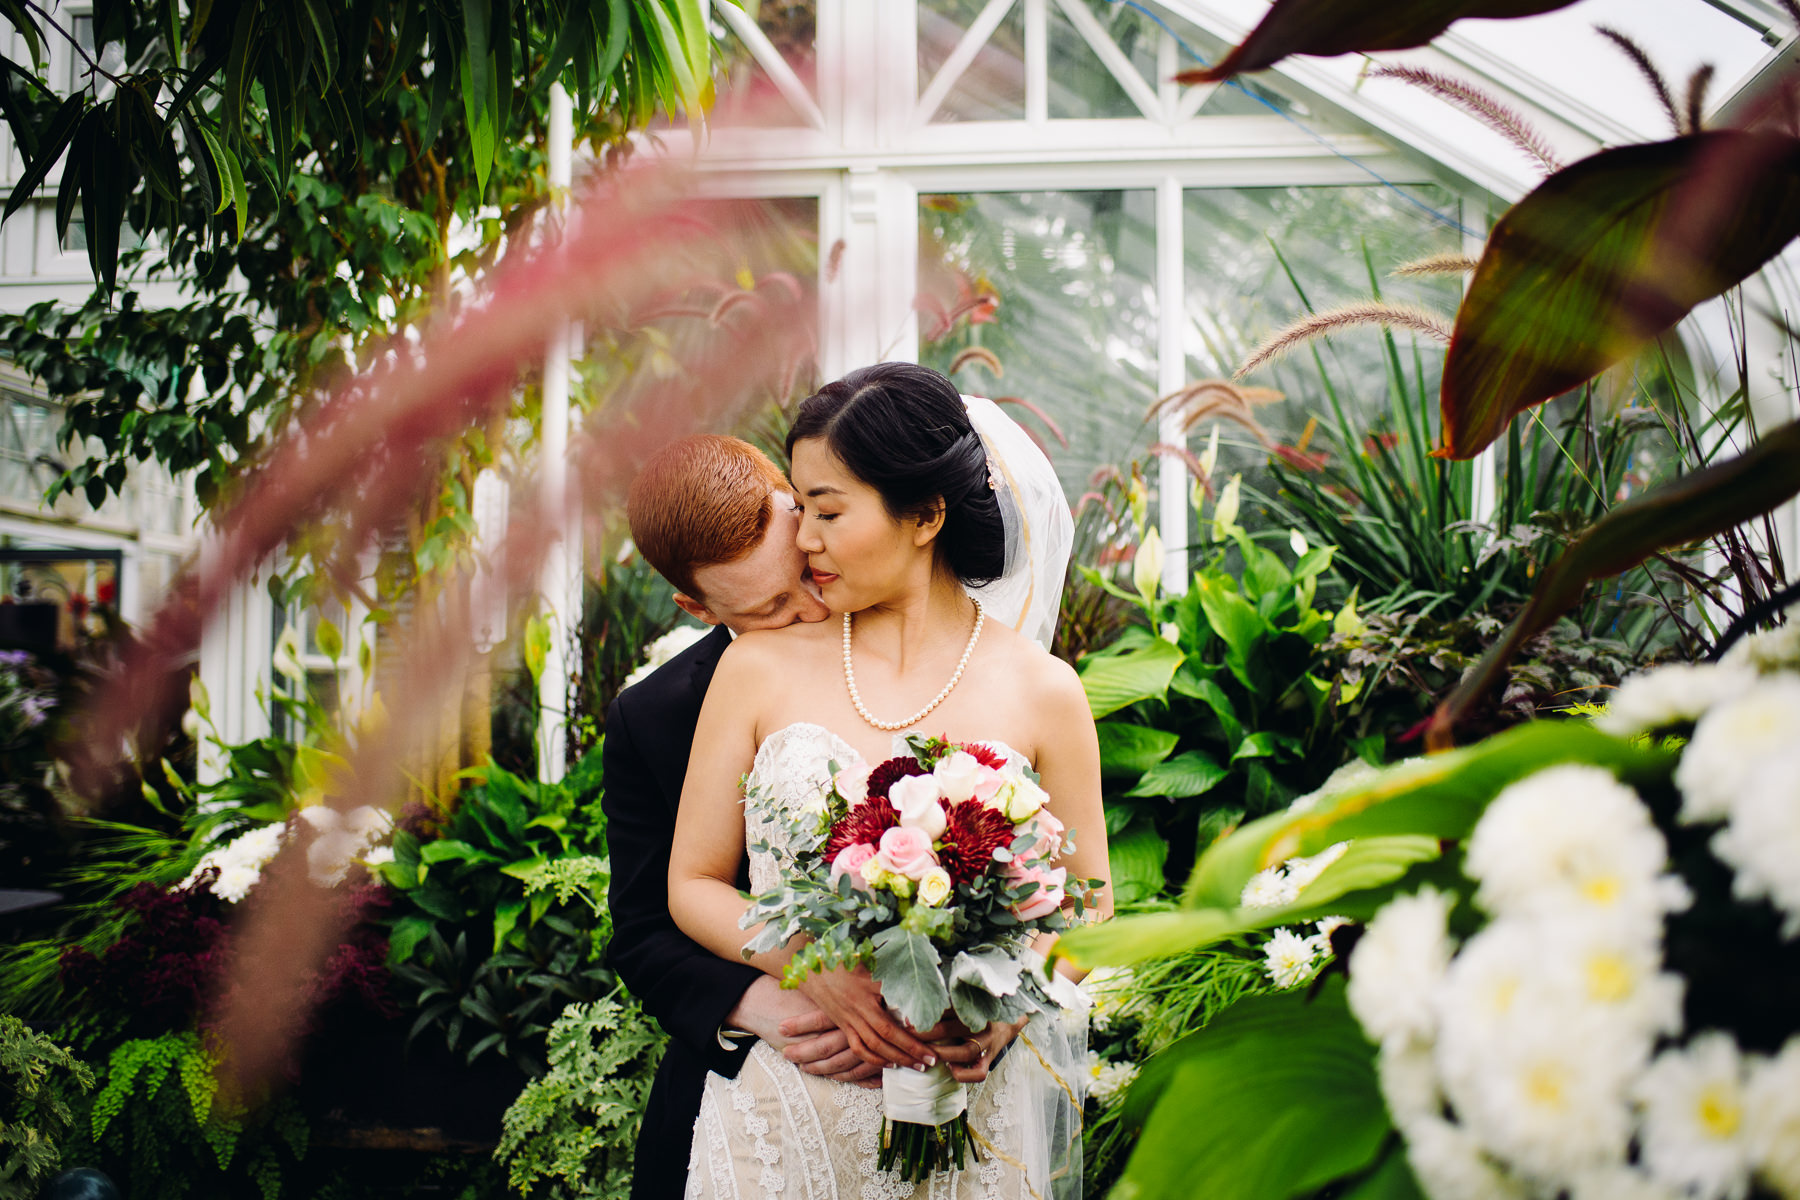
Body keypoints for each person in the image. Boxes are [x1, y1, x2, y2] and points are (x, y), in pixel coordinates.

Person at [668, 363, 1110, 1200]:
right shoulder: (754, 668)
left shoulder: (1045, 692)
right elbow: (691, 883)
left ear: (925, 515)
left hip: (969, 1113)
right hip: (784, 1115)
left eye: (829, 513)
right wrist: (808, 965)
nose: (803, 542)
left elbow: (1090, 907)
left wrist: (1004, 1015)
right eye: (803, 511)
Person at [605, 434, 1004, 1200]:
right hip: (757, 1097)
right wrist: (775, 1002)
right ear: (696, 607)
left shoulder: (943, 651)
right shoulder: (652, 718)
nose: (813, 606)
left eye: (805, 575)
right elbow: (645, 927)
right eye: (772, 609)